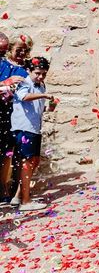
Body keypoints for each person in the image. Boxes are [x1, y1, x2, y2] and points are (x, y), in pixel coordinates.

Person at [10, 57, 56, 211]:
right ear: (29, 71)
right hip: (24, 127)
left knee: (33, 162)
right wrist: (44, 96)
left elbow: (38, 108)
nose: (41, 76)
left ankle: (18, 196)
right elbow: (23, 97)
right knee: (27, 162)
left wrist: (50, 107)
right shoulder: (24, 82)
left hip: (34, 128)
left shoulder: (41, 85)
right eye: (38, 73)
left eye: (44, 74)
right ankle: (26, 202)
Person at [0, 34, 31, 205]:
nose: (22, 53)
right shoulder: (2, 65)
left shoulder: (28, 67)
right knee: (4, 153)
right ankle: (3, 189)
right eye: (18, 50)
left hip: (20, 117)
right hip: (3, 114)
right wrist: (7, 82)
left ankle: (14, 191)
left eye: (26, 50)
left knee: (16, 153)